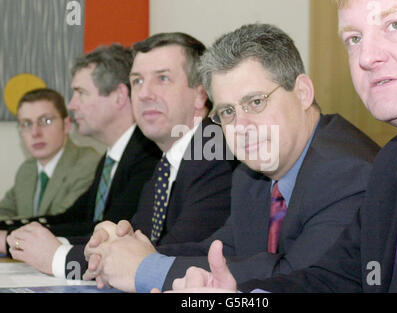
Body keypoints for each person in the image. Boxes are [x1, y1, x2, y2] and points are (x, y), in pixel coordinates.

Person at [168, 0, 397, 293]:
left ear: (303, 92)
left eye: (395, 25)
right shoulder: (395, 162)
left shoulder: (351, 169)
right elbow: (335, 280)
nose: (367, 57)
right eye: (354, 39)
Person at [83, 24, 380, 293]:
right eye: (227, 112)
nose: (241, 127)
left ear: (302, 92)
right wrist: (127, 250)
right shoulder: (250, 175)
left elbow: (296, 277)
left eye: (255, 102)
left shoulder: (346, 170)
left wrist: (145, 269)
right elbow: (223, 251)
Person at [57, 33, 237, 282]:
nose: (144, 94)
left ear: (200, 94)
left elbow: (169, 254)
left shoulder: (216, 151)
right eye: (138, 81)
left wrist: (58, 257)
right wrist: (109, 239)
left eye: (162, 78)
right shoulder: (166, 162)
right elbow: (139, 238)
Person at [0, 44, 162, 276]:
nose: (72, 104)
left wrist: (11, 241)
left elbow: (110, 229)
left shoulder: (149, 154)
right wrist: (12, 233)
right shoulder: (111, 158)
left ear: (118, 97)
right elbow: (76, 217)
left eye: (81, 93)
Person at [0, 88, 100, 221]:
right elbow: (4, 211)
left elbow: (61, 221)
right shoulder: (27, 169)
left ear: (67, 125)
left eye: (45, 121)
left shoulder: (88, 163)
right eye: (27, 124)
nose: (35, 133)